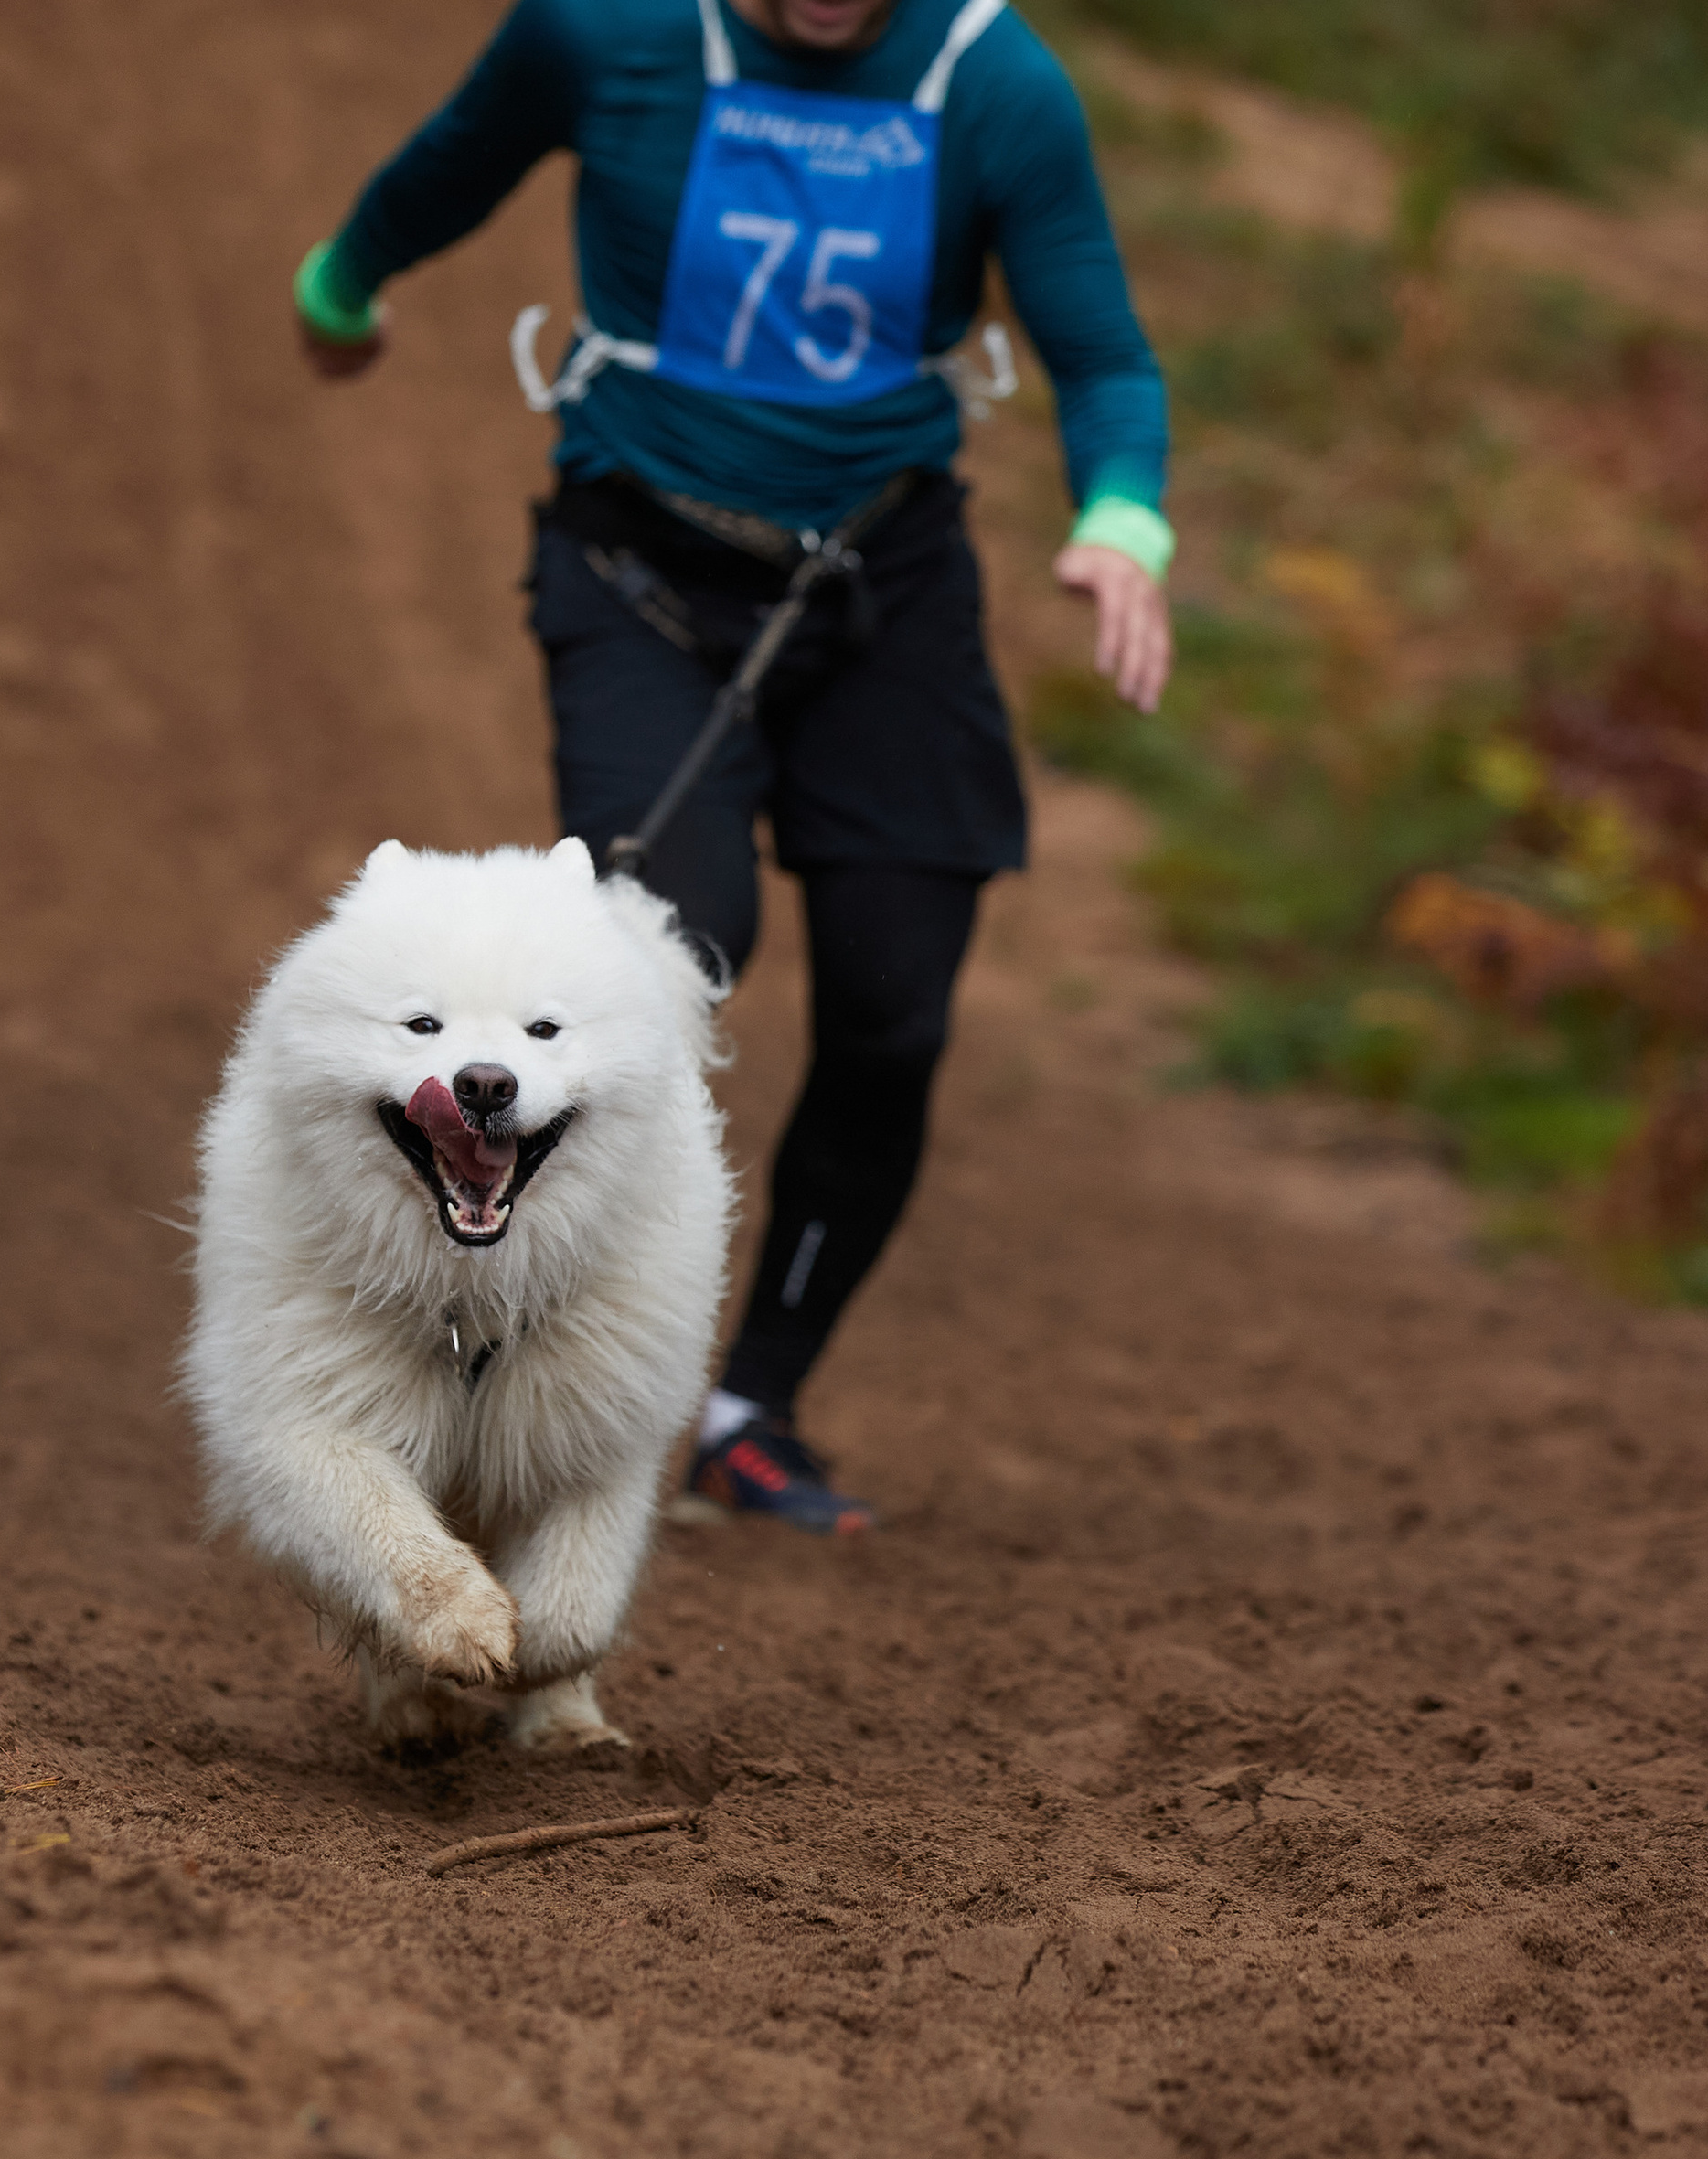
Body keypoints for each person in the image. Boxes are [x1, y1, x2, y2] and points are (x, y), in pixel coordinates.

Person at [294, 0, 1173, 1532]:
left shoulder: (992, 80)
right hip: (643, 572)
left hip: (882, 585)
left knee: (895, 1014)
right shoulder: (601, 31)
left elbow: (1100, 351)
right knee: (677, 957)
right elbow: (448, 165)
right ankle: (516, 1344)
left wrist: (1120, 520)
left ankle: (750, 1400)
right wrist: (343, 284)